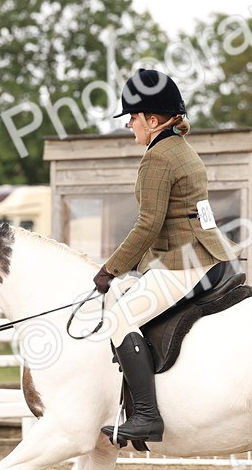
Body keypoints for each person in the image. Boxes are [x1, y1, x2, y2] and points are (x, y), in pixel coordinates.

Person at [91, 69, 237, 443]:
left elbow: (148, 225)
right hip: (205, 255)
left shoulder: (157, 158)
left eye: (133, 117)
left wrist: (112, 268)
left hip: (183, 262)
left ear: (152, 120)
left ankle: (146, 416)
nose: (129, 124)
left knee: (121, 319)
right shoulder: (182, 150)